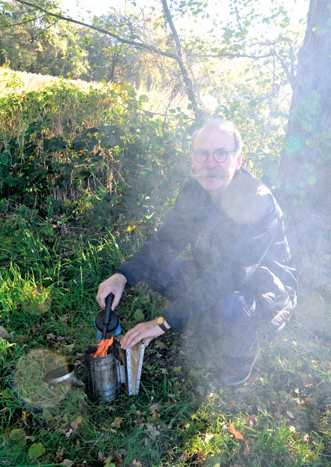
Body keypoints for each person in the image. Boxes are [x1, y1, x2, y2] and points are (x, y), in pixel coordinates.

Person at [96, 119, 297, 386]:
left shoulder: (257, 202)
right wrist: (121, 276)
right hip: (209, 270)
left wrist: (163, 322)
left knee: (229, 304)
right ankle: (198, 312)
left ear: (237, 160)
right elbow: (165, 243)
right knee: (159, 273)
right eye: (202, 154)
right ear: (192, 159)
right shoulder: (196, 191)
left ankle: (243, 351)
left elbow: (228, 276)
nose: (210, 163)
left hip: (261, 287)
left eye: (221, 154)